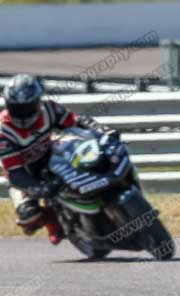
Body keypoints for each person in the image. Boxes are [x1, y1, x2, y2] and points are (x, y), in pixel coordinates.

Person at [0, 74, 110, 244]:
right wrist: (40, 188)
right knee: (28, 217)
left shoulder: (49, 110)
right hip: (24, 174)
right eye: (18, 109)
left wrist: (98, 128)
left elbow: (76, 121)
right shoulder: (3, 131)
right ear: (8, 105)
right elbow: (15, 173)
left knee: (89, 157)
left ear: (37, 103)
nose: (24, 113)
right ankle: (52, 220)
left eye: (28, 107)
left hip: (52, 157)